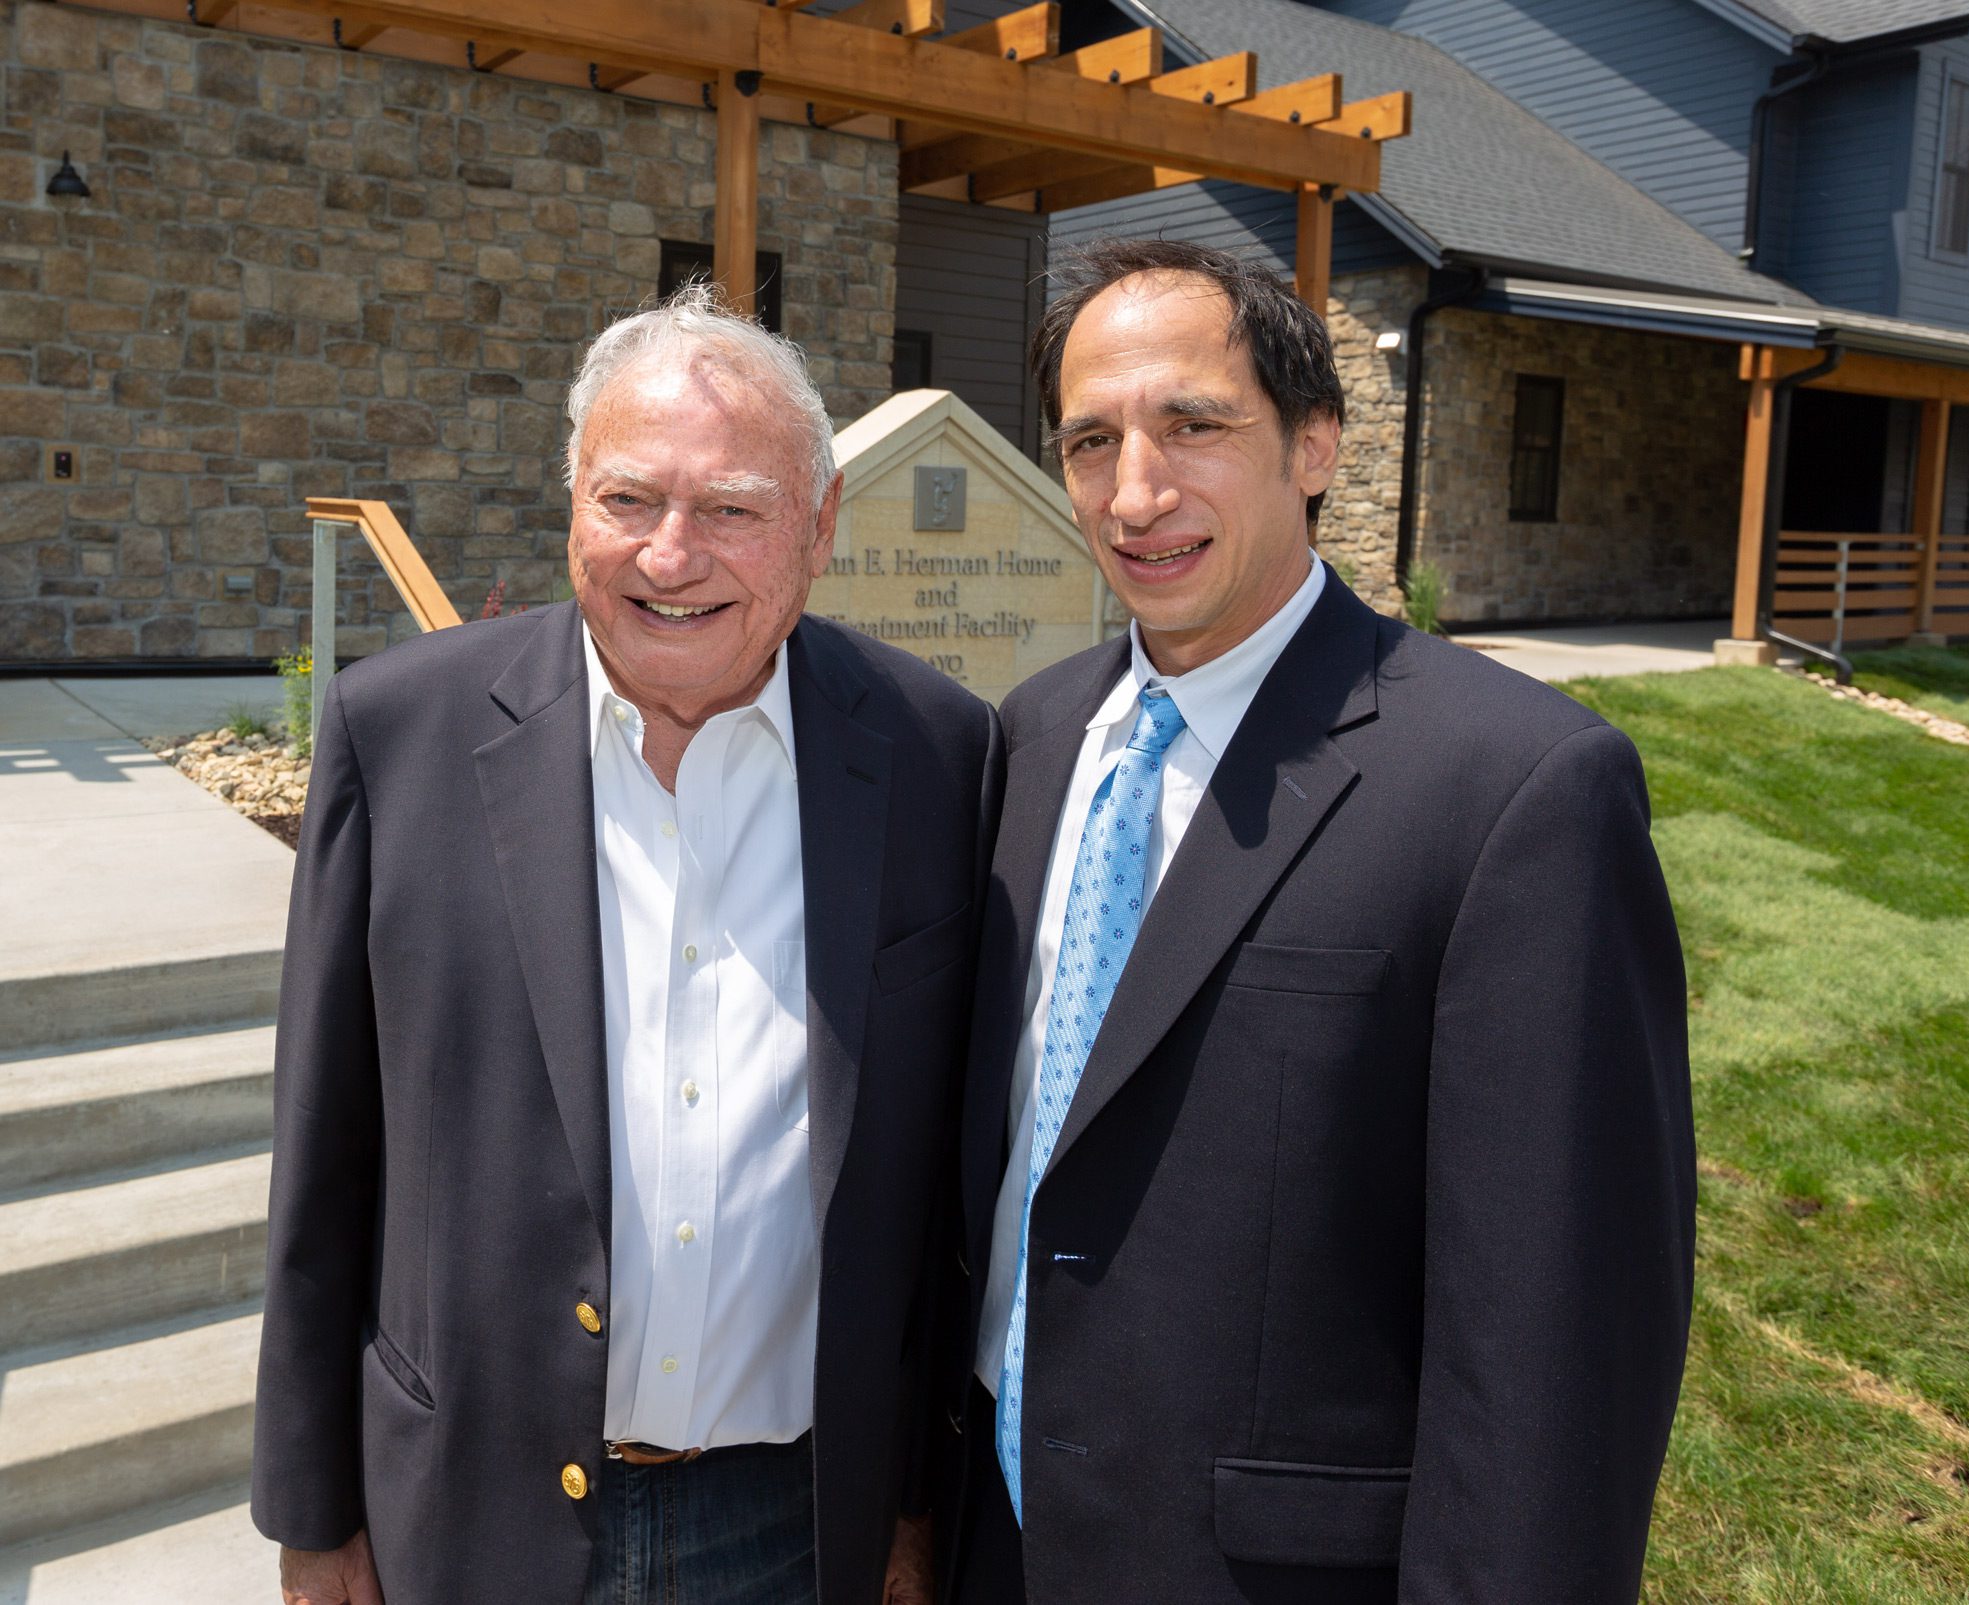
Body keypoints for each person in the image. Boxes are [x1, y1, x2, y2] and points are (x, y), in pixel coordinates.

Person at [940, 239, 1696, 1604]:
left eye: (1193, 425)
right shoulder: (1030, 739)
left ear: (1314, 445)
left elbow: (1553, 1341)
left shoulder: (1516, 791)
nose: (1137, 490)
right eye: (1091, 440)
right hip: (995, 1538)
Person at [252, 283, 1000, 1605]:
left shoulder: (938, 750)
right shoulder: (400, 736)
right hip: (474, 1509)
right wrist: (315, 1517)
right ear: (572, 506)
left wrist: (914, 1511)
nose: (671, 554)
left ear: (820, 525)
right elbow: (327, 1157)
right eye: (630, 500)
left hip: (796, 1516)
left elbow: (941, 1189)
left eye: (731, 508)